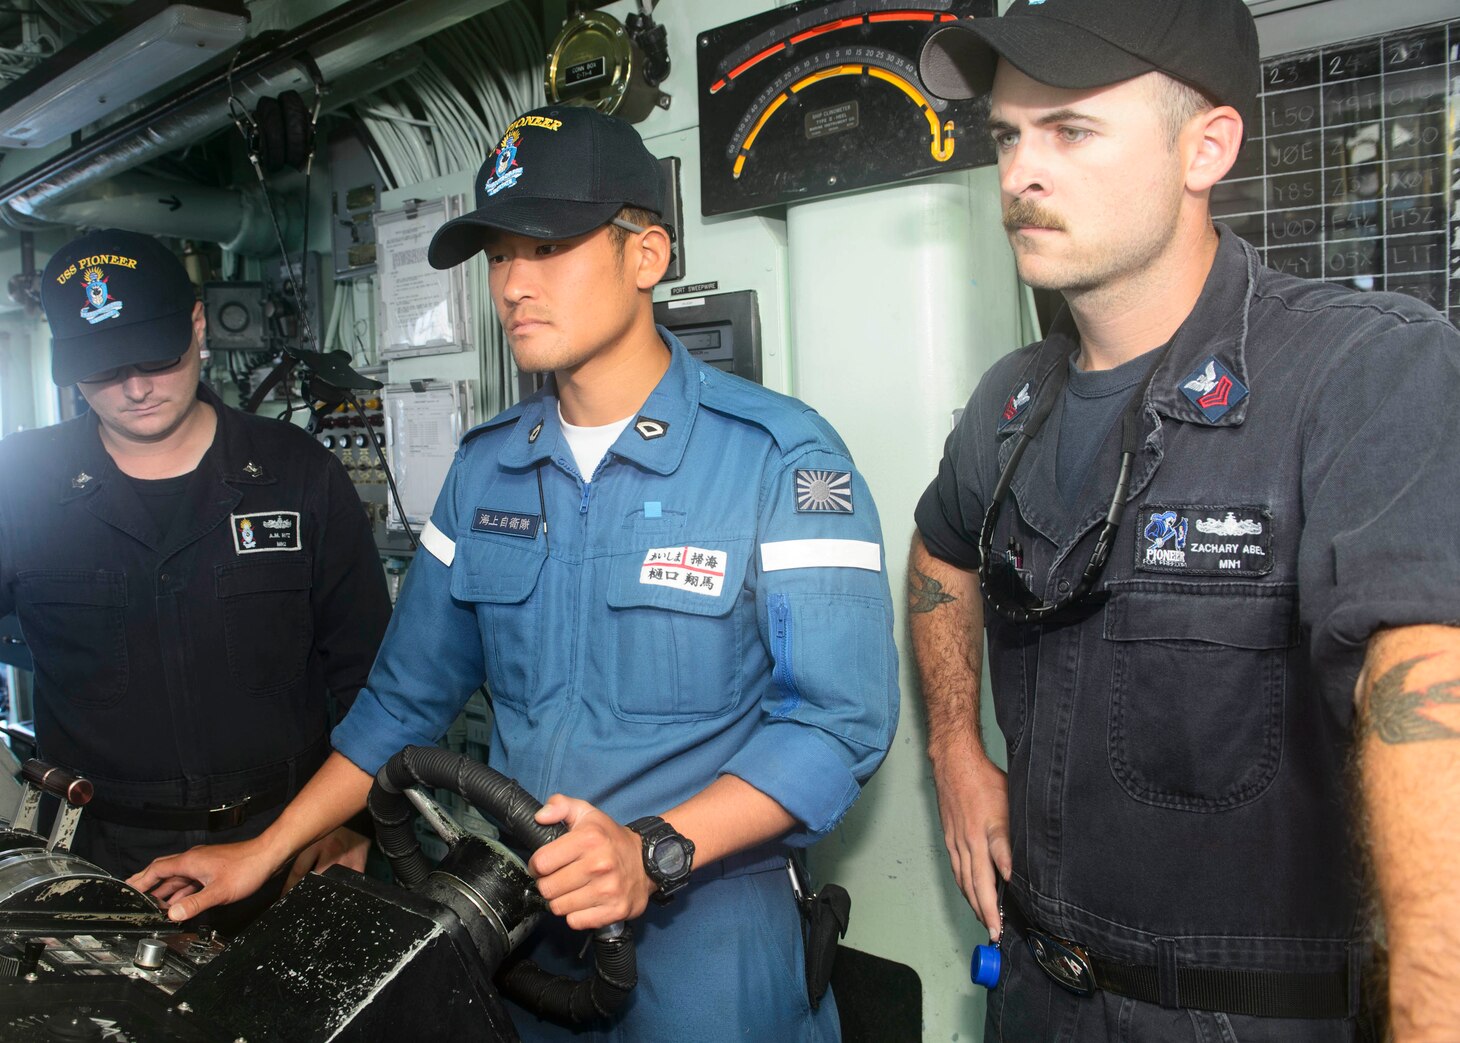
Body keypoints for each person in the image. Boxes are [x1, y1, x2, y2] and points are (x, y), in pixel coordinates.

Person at [129, 105, 900, 1040]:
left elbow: (837, 720)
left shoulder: (779, 456)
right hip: (521, 924)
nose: (513, 284)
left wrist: (655, 849)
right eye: (499, 254)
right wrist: (265, 848)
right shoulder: (487, 466)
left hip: (709, 933)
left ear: (646, 255)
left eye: (549, 246)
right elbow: (401, 703)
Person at [910, 1, 1460, 1039]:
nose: (1019, 173)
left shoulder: (1359, 368)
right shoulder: (1007, 405)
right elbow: (941, 549)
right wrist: (951, 744)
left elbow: (1425, 686)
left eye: (1068, 130)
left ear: (1203, 146)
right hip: (1033, 999)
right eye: (1007, 136)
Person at [0, 230, 391, 933]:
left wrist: (356, 820)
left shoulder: (298, 473)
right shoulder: (18, 488)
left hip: (290, 842)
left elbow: (372, 677)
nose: (137, 387)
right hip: (98, 858)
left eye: (157, 356)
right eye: (104, 367)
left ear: (199, 325)